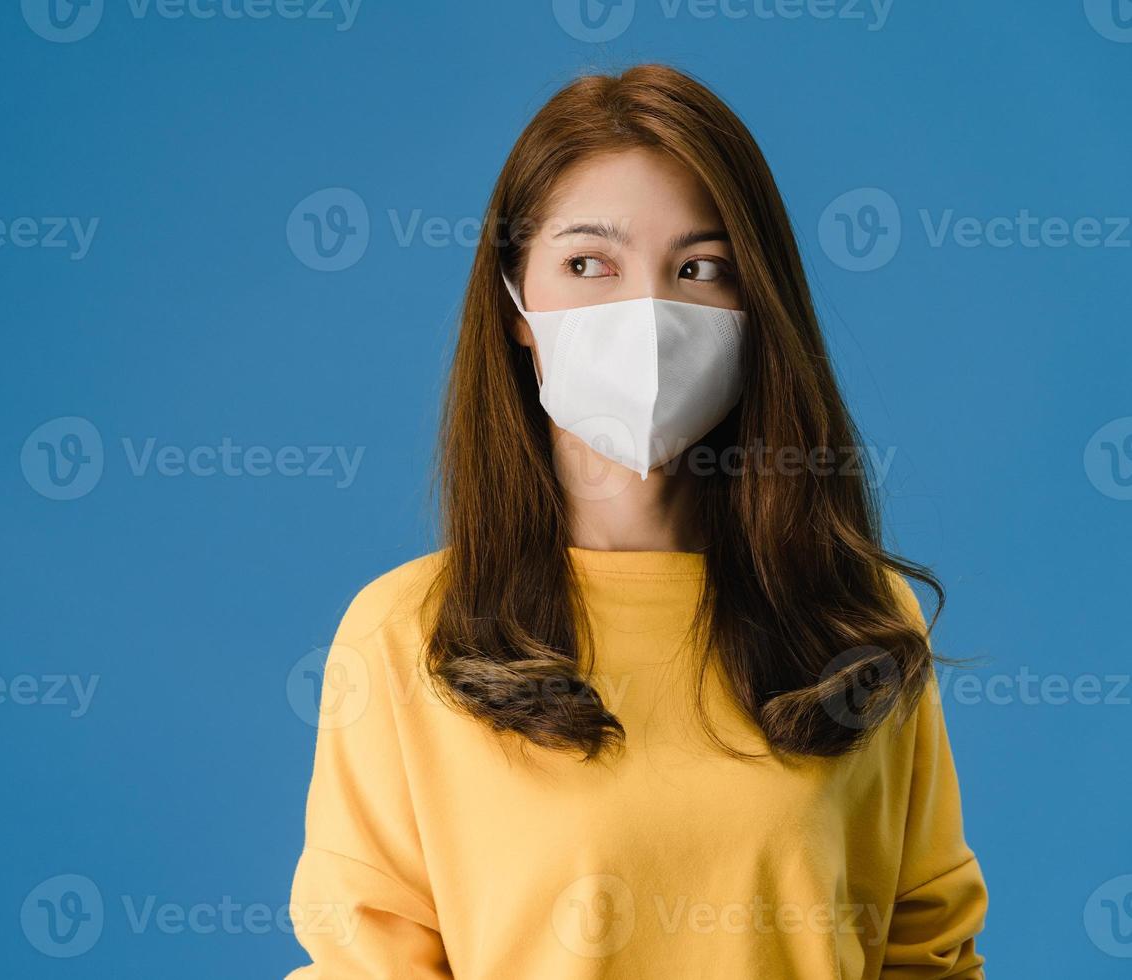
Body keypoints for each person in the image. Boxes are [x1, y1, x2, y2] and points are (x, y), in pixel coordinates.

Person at [284, 63, 988, 979]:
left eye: (700, 268)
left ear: (756, 305)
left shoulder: (859, 619)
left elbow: (926, 955)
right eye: (589, 265)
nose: (646, 315)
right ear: (518, 308)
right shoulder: (406, 636)